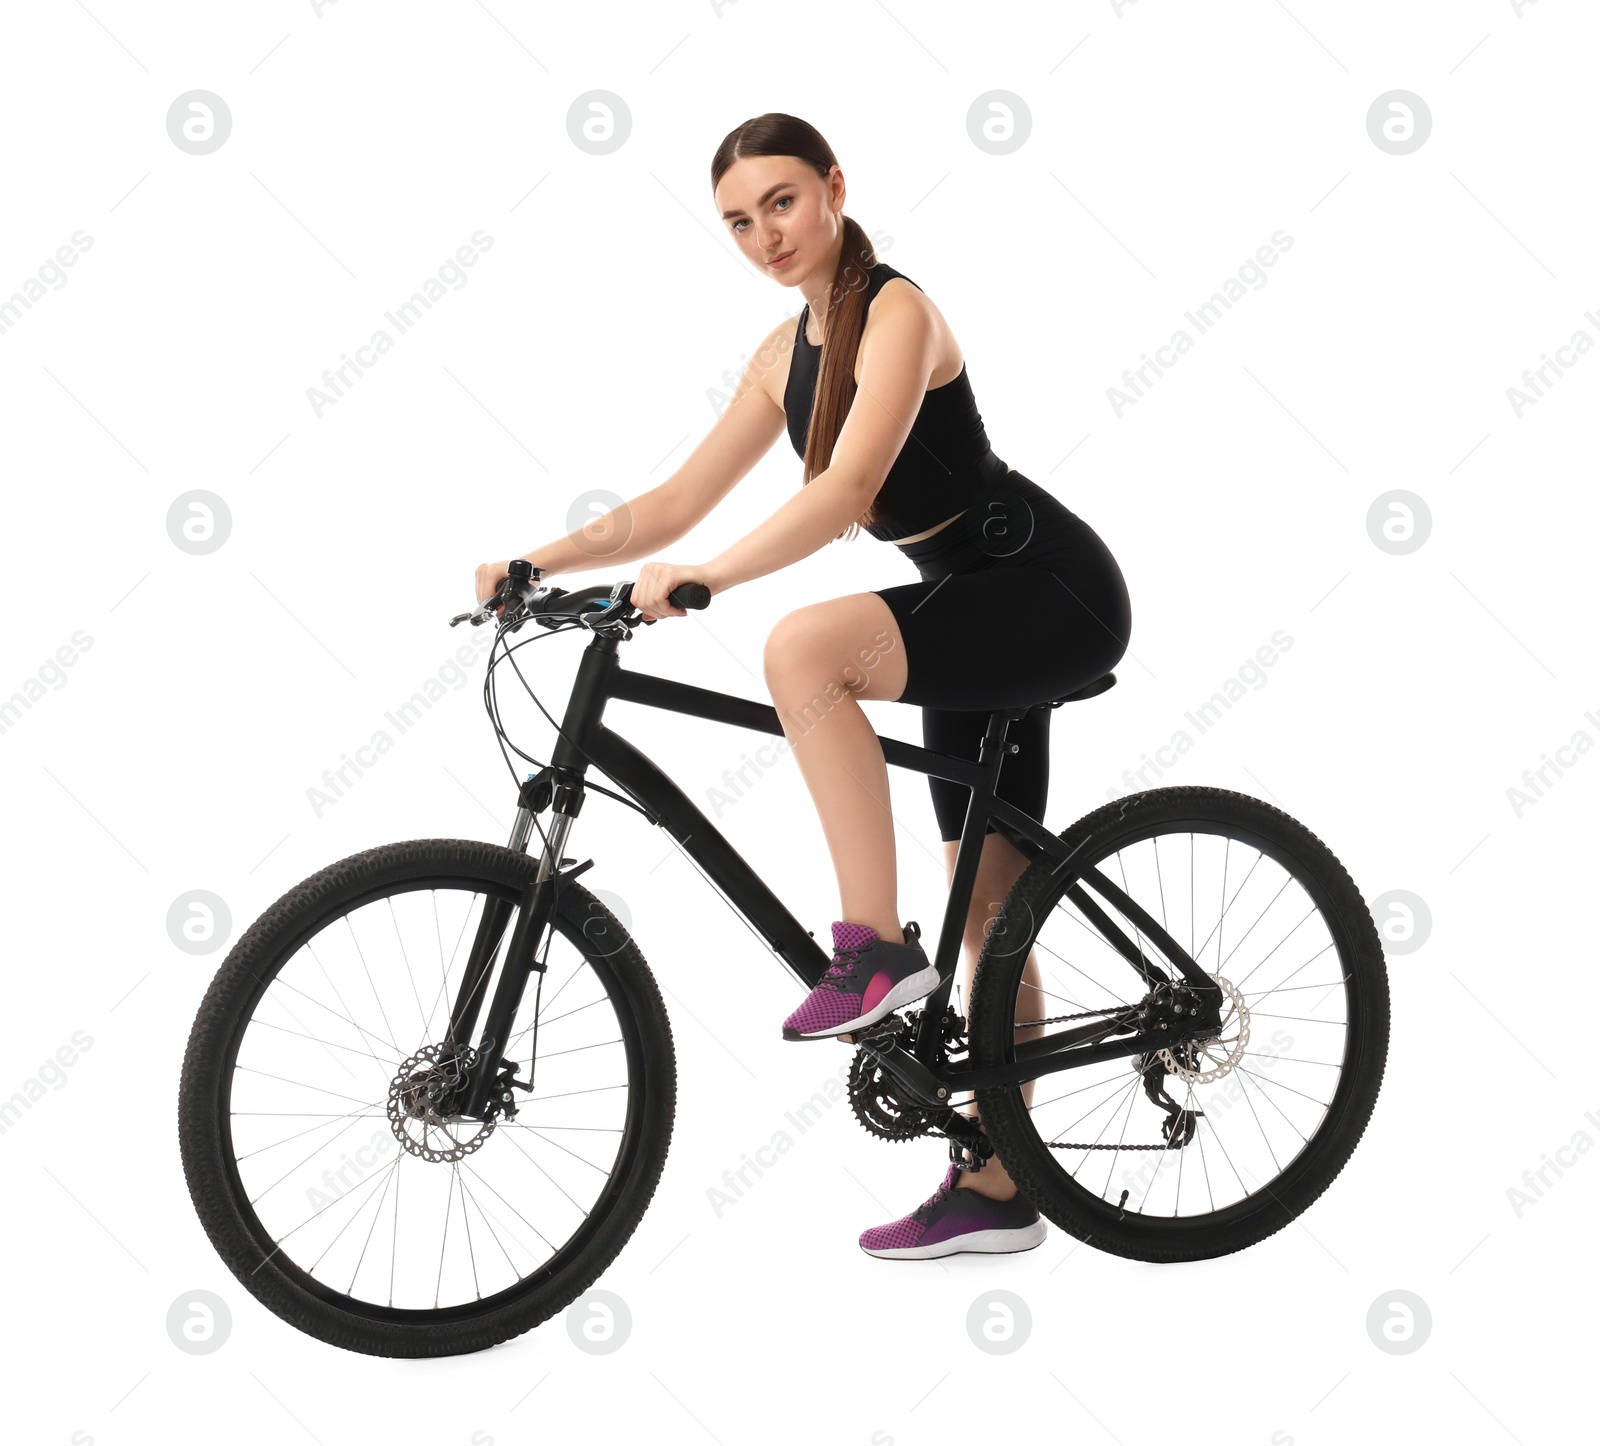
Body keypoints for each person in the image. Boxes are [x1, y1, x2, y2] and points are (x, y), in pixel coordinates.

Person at [475, 112, 1132, 1261]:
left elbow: (847, 489)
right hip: (965, 606)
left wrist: (710, 582)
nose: (763, 234)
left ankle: (871, 948)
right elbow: (672, 506)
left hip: (1044, 588)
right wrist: (543, 559)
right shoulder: (782, 358)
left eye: (781, 202)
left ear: (833, 188)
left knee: (804, 648)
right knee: (992, 910)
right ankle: (996, 1182)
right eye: (736, 220)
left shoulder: (899, 314)